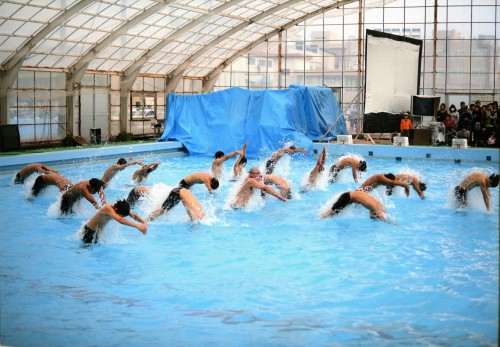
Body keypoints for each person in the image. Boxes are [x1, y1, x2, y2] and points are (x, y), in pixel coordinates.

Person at [81, 200, 147, 244]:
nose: (120, 216)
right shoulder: (108, 208)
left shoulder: (121, 208)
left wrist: (144, 222)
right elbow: (120, 220)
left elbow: (134, 216)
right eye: (120, 215)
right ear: (116, 209)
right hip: (89, 232)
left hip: (98, 233)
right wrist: (137, 226)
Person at [320, 190, 387, 222]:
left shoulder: (376, 203)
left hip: (348, 194)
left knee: (334, 211)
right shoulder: (376, 208)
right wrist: (392, 224)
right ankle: (321, 218)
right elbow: (382, 219)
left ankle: (323, 216)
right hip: (348, 198)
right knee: (332, 213)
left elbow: (372, 215)